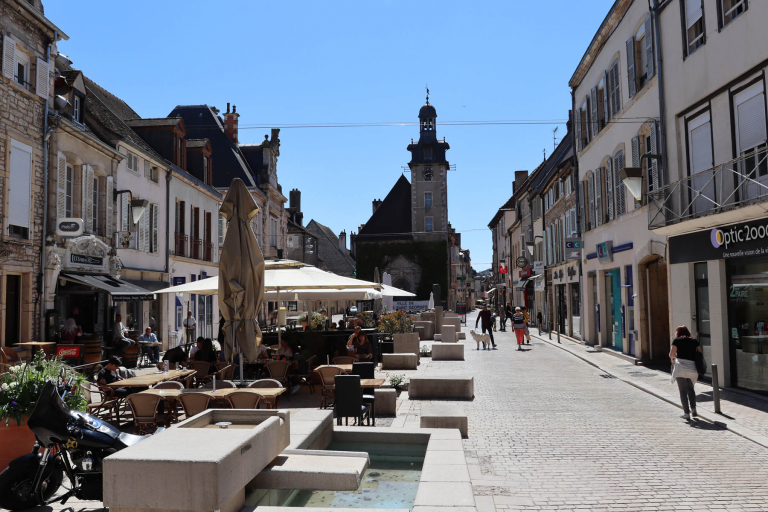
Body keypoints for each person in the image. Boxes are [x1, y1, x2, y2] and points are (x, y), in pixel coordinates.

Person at [669, 325, 702, 420]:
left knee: (682, 391)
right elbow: (700, 353)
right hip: (692, 368)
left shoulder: (676, 341)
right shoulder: (694, 341)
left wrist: (677, 355)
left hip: (681, 368)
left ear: (678, 333)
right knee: (691, 389)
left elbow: (671, 355)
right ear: (688, 332)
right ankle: (694, 409)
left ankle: (686, 413)